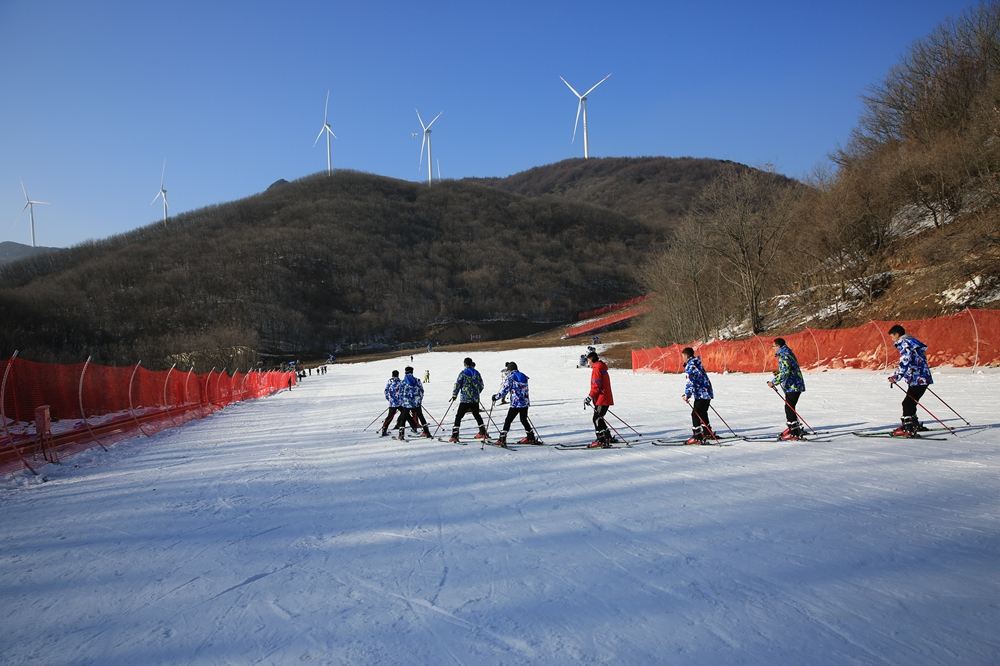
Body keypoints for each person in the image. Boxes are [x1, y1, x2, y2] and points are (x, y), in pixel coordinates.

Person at [887, 325, 933, 437]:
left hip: (917, 378)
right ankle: (914, 424)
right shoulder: (912, 341)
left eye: (892, 336)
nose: (892, 339)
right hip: (921, 377)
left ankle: (908, 428)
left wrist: (896, 377)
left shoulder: (905, 343)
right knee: (911, 402)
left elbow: (905, 362)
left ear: (897, 334)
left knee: (907, 403)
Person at [766, 338, 806, 441]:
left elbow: (785, 372)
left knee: (789, 408)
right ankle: (795, 428)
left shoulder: (783, 355)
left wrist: (773, 382)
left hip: (793, 385)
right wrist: (778, 374)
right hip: (794, 384)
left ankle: (794, 432)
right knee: (790, 406)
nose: (773, 348)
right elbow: (787, 369)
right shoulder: (787, 352)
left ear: (778, 346)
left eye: (773, 346)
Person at [492, 361, 534, 446]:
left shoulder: (511, 377)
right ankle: (531, 437)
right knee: (523, 419)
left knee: (508, 420)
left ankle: (502, 439)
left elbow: (505, 390)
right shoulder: (523, 375)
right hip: (524, 403)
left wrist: (496, 397)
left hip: (516, 403)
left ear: (510, 369)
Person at [681, 347, 715, 444]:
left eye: (683, 356)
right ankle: (707, 432)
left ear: (686, 356)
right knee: (702, 412)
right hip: (707, 392)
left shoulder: (690, 365)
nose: (682, 358)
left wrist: (687, 395)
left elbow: (690, 382)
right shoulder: (697, 363)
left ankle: (697, 436)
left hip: (701, 393)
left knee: (695, 414)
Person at [449, 358, 487, 442]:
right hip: (475, 399)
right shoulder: (476, 373)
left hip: (465, 399)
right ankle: (483, 432)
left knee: (459, 416)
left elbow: (458, 384)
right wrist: (476, 393)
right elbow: (481, 385)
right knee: (477, 415)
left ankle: (455, 435)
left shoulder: (463, 373)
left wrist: (454, 395)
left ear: (465, 364)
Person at [583, 351, 615, 448]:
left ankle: (601, 439)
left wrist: (590, 397)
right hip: (604, 398)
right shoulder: (600, 367)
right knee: (599, 418)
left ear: (591, 360)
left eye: (588, 360)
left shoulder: (597, 369)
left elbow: (596, 386)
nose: (587, 362)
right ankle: (607, 437)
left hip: (602, 398)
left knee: (596, 418)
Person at [393, 366, 432, 440]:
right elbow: (421, 391)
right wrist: (419, 400)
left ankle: (401, 435)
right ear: (412, 372)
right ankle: (427, 432)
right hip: (416, 403)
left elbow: (400, 393)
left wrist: (402, 401)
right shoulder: (417, 380)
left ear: (405, 372)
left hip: (406, 403)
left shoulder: (403, 382)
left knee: (403, 419)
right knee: (421, 417)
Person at [380, 370, 403, 437]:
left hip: (392, 403)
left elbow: (386, 391)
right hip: (400, 403)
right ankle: (400, 424)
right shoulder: (400, 382)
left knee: (390, 417)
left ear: (392, 375)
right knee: (405, 414)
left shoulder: (390, 381)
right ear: (398, 375)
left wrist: (389, 399)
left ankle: (384, 429)